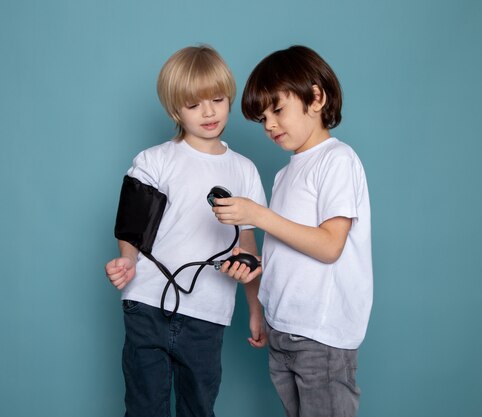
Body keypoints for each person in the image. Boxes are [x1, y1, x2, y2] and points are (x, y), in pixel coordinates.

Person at [104, 45, 267, 417]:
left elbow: (248, 247)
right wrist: (127, 261)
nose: (208, 112)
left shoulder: (244, 171)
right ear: (175, 109)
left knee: (199, 408)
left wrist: (255, 309)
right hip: (146, 303)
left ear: (230, 98)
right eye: (194, 105)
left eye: (217, 99)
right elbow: (132, 227)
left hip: (208, 314)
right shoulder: (154, 161)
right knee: (144, 407)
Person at [212, 45, 373, 417]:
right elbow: (288, 247)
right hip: (284, 329)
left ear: (316, 97)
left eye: (277, 110)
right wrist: (255, 273)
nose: (269, 124)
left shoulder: (337, 160)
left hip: (321, 334)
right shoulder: (287, 173)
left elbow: (330, 245)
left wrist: (259, 214)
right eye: (262, 117)